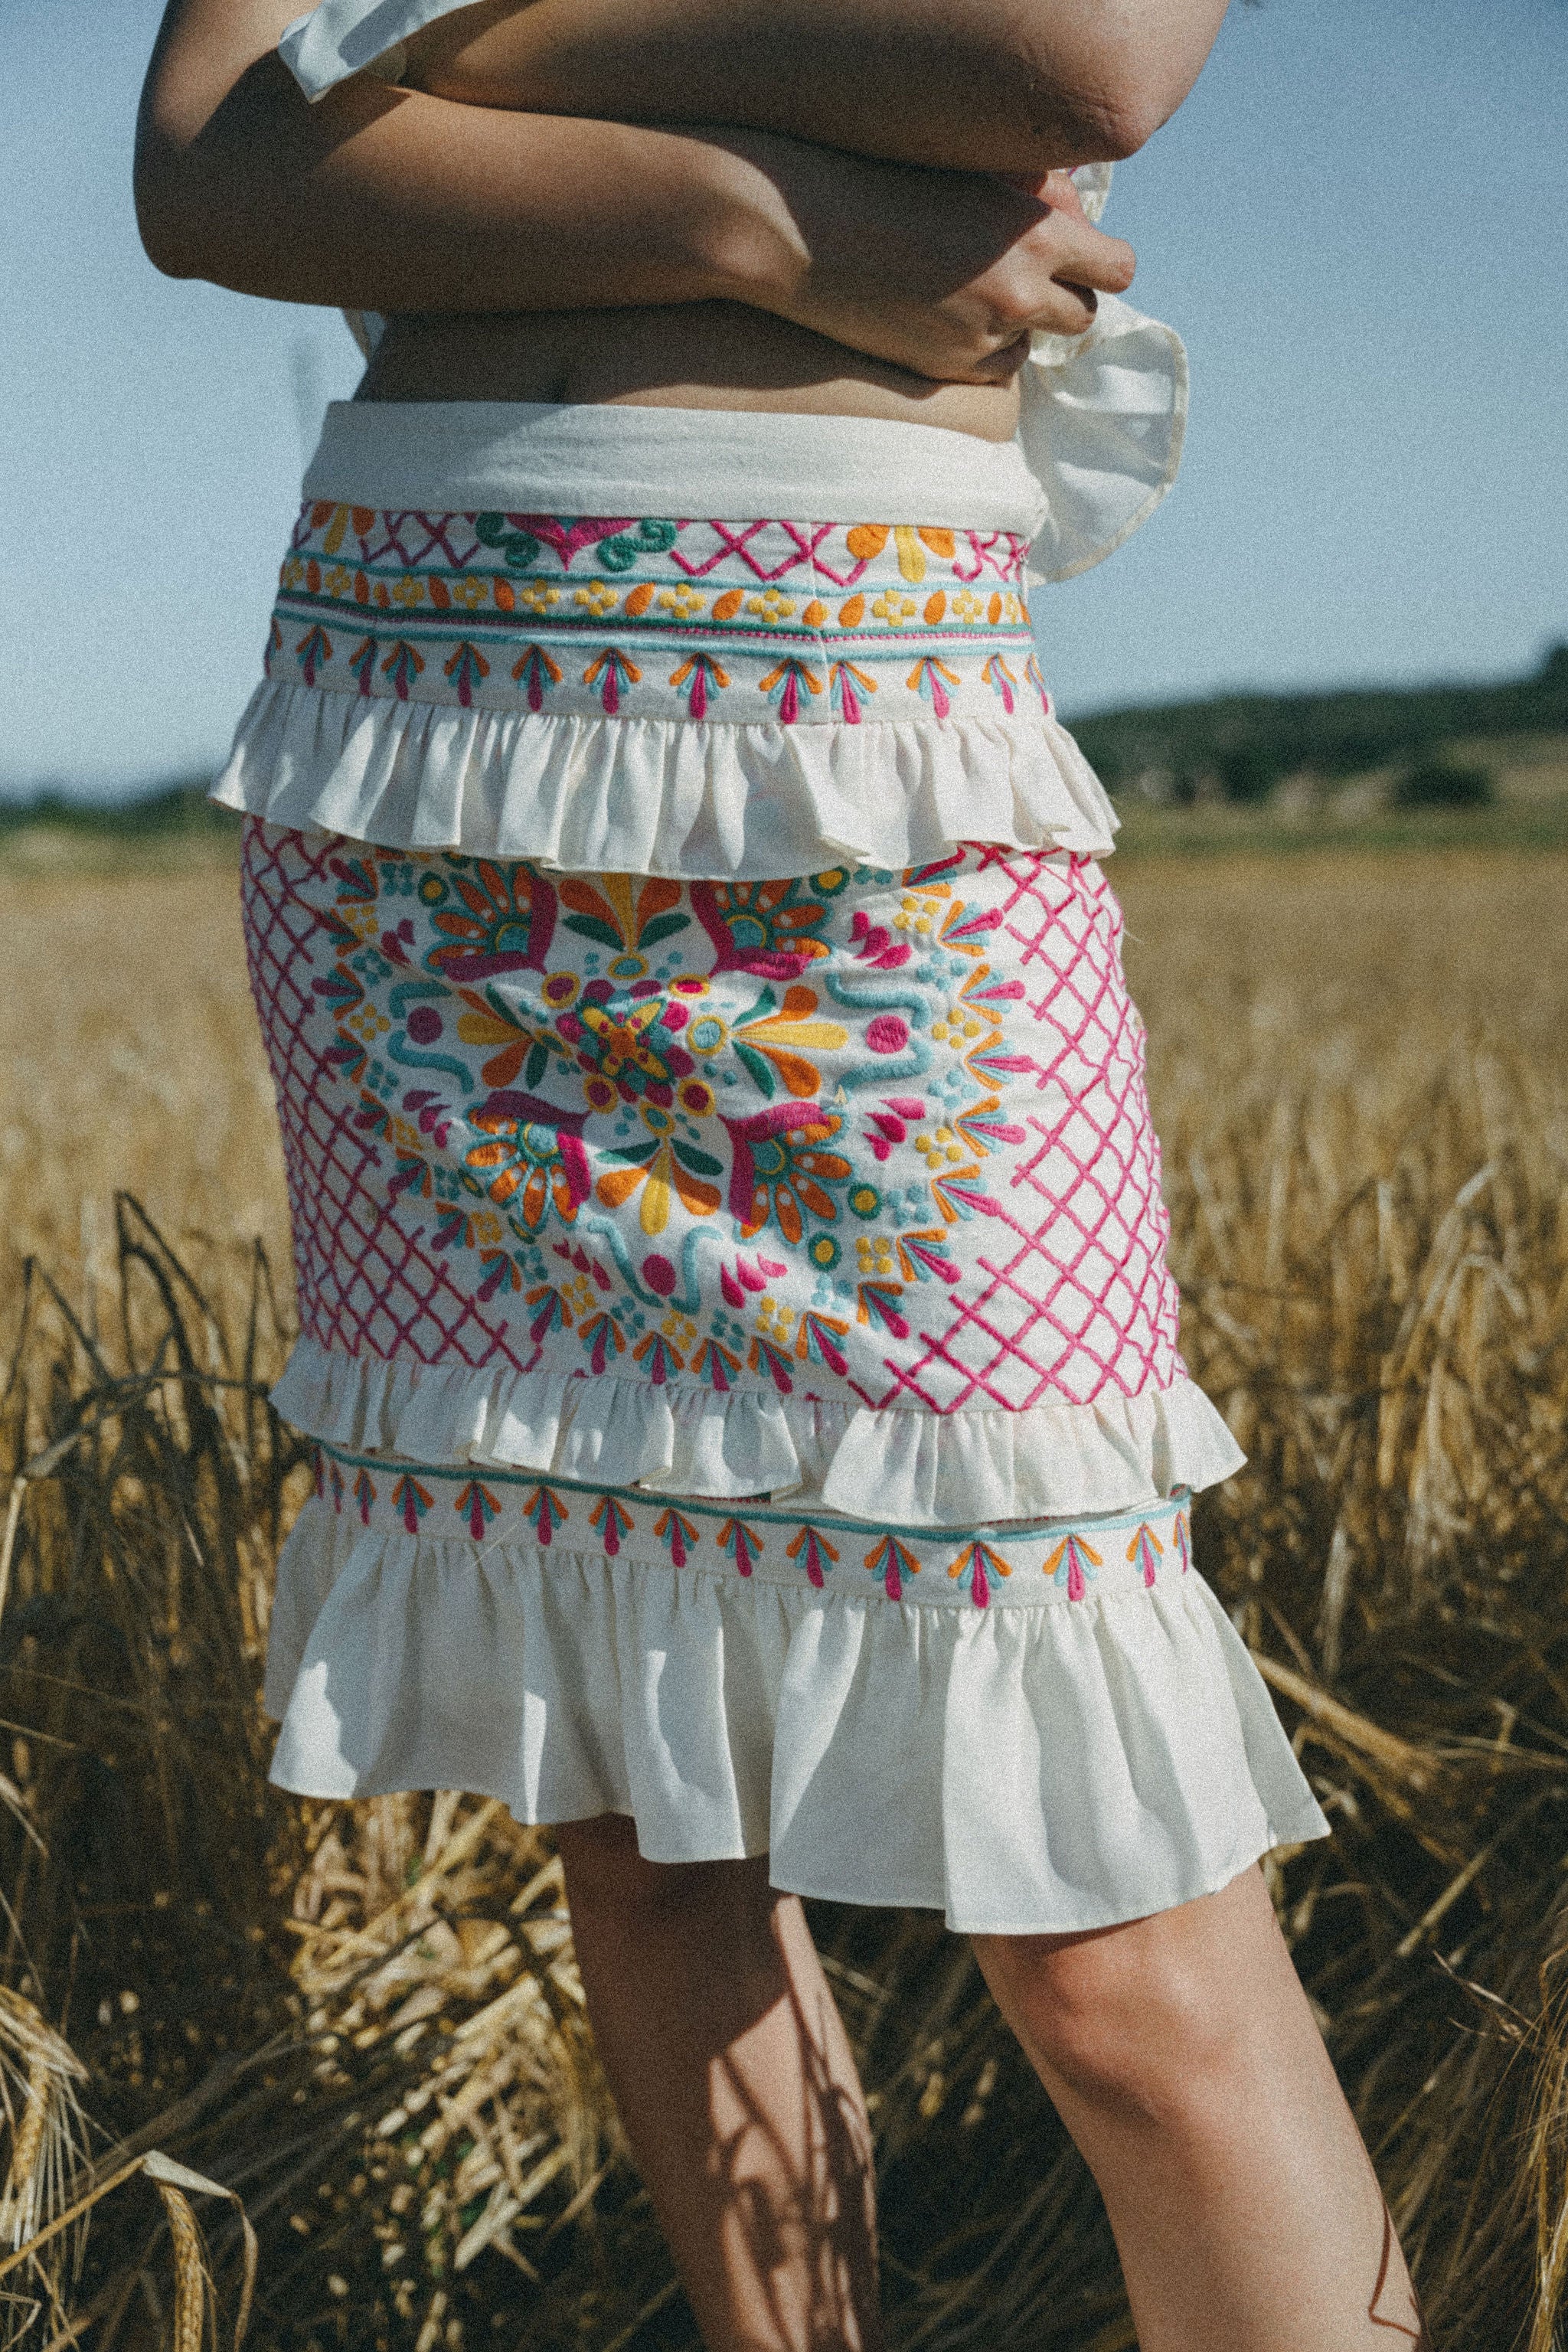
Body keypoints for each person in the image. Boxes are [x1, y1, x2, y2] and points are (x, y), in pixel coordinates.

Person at [136, 5, 1430, 2345]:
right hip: (413, 753)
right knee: (646, 1837)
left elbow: (1078, 66)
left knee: (1118, 1947)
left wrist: (433, 61)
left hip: (866, 767)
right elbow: (222, 179)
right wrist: (765, 220)